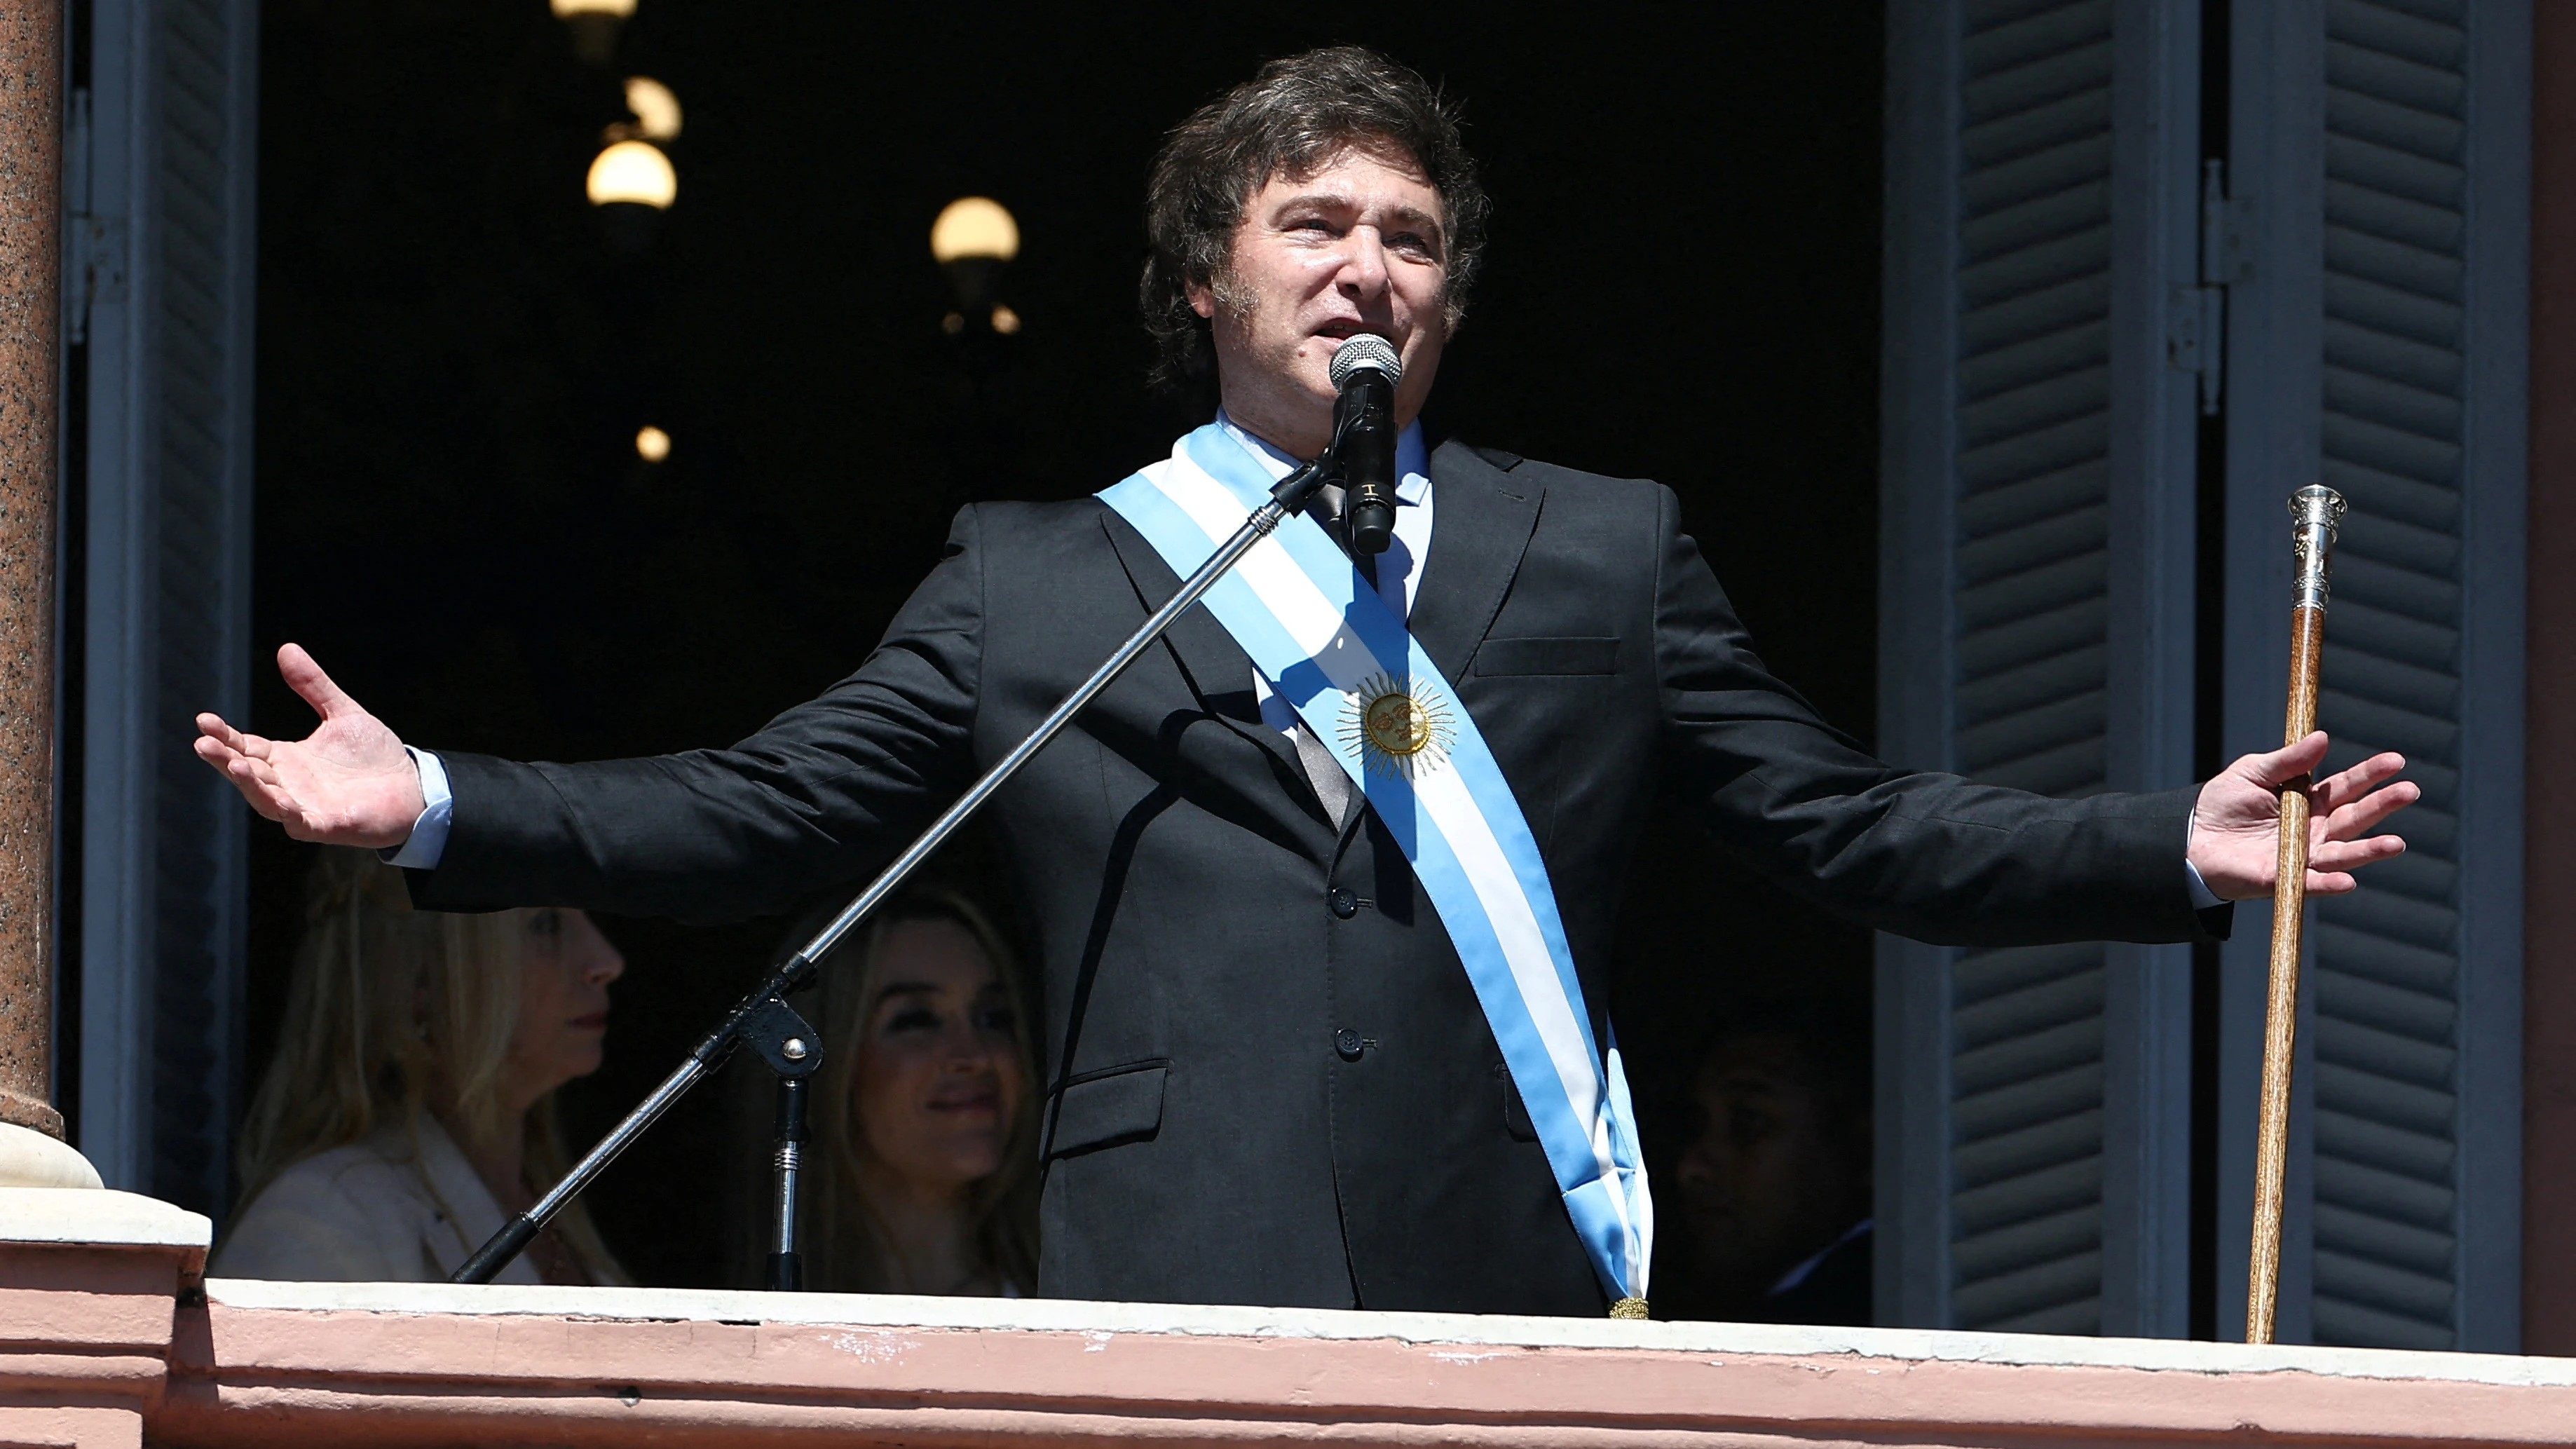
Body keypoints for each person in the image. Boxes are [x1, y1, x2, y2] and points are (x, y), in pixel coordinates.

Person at [192, 47, 2417, 1317]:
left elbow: (1846, 827)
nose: (1368, 263)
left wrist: (2171, 844)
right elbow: (770, 808)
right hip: (1174, 1264)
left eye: (1413, 234)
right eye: (1313, 222)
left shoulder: (1602, 546)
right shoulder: (1039, 575)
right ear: (1203, 279)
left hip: (1507, 1262)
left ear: (1454, 295)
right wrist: (447, 806)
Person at [214, 848, 628, 1285]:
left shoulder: (557, 1201)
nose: (606, 962)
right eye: (546, 924)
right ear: (421, 985)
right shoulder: (324, 1215)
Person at [795, 887, 1038, 1296]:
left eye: (994, 1017)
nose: (974, 1056)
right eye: (916, 1020)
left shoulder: (1084, 1305)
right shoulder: (748, 1324)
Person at [1668, 1000, 1873, 1326]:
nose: (1692, 1169)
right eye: (1696, 1126)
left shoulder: (1883, 1313)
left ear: (1865, 1147)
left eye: (1749, 1122)